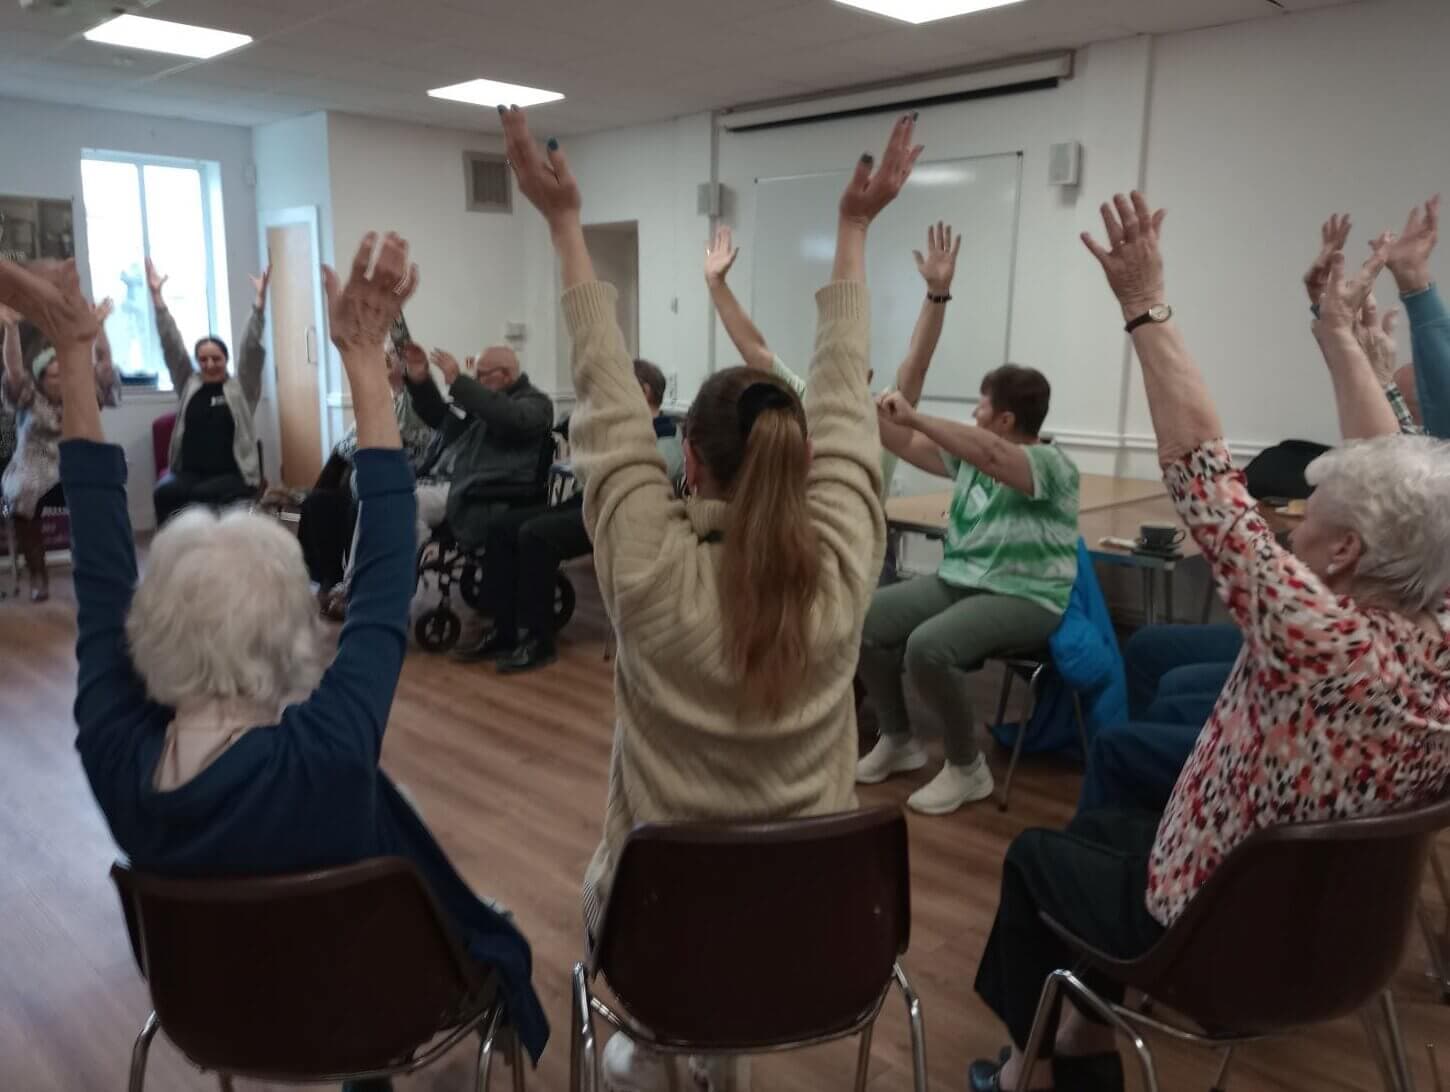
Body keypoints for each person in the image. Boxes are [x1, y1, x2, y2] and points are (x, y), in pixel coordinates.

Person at [0, 239, 549, 1090]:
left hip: (216, 1015)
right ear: (293, 634)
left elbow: (103, 566)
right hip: (368, 1007)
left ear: (153, 630)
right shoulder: (325, 753)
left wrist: (73, 353)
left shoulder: (113, 752)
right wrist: (364, 359)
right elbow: (382, 574)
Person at [968, 193, 1450, 1092]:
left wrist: (1146, 306)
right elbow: (1411, 487)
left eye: (1309, 524)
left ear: (1343, 555)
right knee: (1112, 820)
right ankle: (1076, 1027)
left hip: (1222, 939)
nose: (1291, 533)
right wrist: (1340, 332)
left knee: (1036, 859)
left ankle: (1039, 1063)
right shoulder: (1436, 632)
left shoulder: (1315, 634)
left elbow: (1200, 471)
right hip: (1343, 939)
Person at [504, 104, 919, 1092]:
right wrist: (855, 232)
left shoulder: (645, 571)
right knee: (722, 926)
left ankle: (657, 1051)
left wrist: (563, 225)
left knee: (656, 930)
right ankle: (688, 1054)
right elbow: (845, 405)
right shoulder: (842, 566)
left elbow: (607, 402)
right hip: (817, 936)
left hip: (661, 933)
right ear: (805, 459)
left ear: (684, 456)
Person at [853, 362, 1080, 815]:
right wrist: (862, 401)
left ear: (1005, 420)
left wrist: (914, 415)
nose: (975, 412)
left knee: (928, 647)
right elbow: (902, 442)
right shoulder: (972, 460)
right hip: (960, 581)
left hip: (1026, 596)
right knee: (865, 618)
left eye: (982, 404)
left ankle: (966, 766)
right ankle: (898, 739)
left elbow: (994, 456)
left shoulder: (1052, 465)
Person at [705, 219, 958, 513]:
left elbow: (918, 361)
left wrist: (937, 295)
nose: (839, 377)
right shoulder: (806, 401)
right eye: (831, 365)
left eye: (849, 368)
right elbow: (756, 351)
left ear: (868, 377)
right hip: (807, 542)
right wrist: (717, 285)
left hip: (864, 549)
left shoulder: (885, 416)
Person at [459, 358, 682, 673]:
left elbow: (633, 479)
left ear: (644, 392)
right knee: (504, 526)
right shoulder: (617, 429)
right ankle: (502, 628)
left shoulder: (667, 439)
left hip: (618, 518)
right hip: (589, 502)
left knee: (536, 535)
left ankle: (538, 640)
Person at [309, 340, 438, 619]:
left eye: (391, 354)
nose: (383, 358)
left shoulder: (414, 403)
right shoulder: (384, 398)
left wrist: (355, 446)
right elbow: (348, 443)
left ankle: (354, 585)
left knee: (358, 487)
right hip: (362, 473)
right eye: (384, 353)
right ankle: (329, 579)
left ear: (406, 364)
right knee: (317, 504)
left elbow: (386, 445)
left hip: (399, 476)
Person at [2, 298, 119, 600]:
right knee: (20, 496)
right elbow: (14, 370)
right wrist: (12, 328)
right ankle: (38, 576)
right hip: (33, 464)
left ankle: (98, 567)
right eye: (54, 376)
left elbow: (104, 366)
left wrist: (99, 328)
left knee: (101, 492)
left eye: (64, 375)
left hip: (72, 463)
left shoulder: (80, 394)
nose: (61, 381)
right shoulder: (28, 395)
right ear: (41, 379)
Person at [149, 259, 270, 525]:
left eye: (216, 358)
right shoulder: (189, 384)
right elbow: (172, 347)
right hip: (189, 472)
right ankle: (173, 555)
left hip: (232, 473)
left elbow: (250, 349)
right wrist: (158, 300)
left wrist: (259, 305)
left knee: (202, 497)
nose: (210, 364)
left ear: (225, 360)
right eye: (203, 359)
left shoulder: (241, 388)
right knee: (165, 492)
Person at [401, 341, 553, 552]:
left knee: (405, 505)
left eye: (480, 374)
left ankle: (404, 577)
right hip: (441, 481)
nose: (475, 380)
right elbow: (440, 417)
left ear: (506, 375)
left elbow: (511, 418)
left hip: (473, 491)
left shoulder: (535, 404)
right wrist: (420, 380)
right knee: (378, 496)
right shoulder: (482, 400)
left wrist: (459, 382)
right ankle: (354, 580)